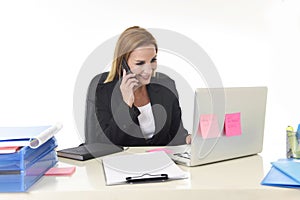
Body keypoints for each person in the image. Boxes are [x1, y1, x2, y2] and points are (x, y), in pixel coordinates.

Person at [95, 26, 191, 146]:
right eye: (140, 63)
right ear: (123, 63)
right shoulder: (105, 92)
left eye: (153, 60)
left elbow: (177, 135)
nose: (149, 69)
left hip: (161, 162)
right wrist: (126, 104)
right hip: (124, 163)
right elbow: (104, 144)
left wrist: (189, 139)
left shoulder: (166, 87)